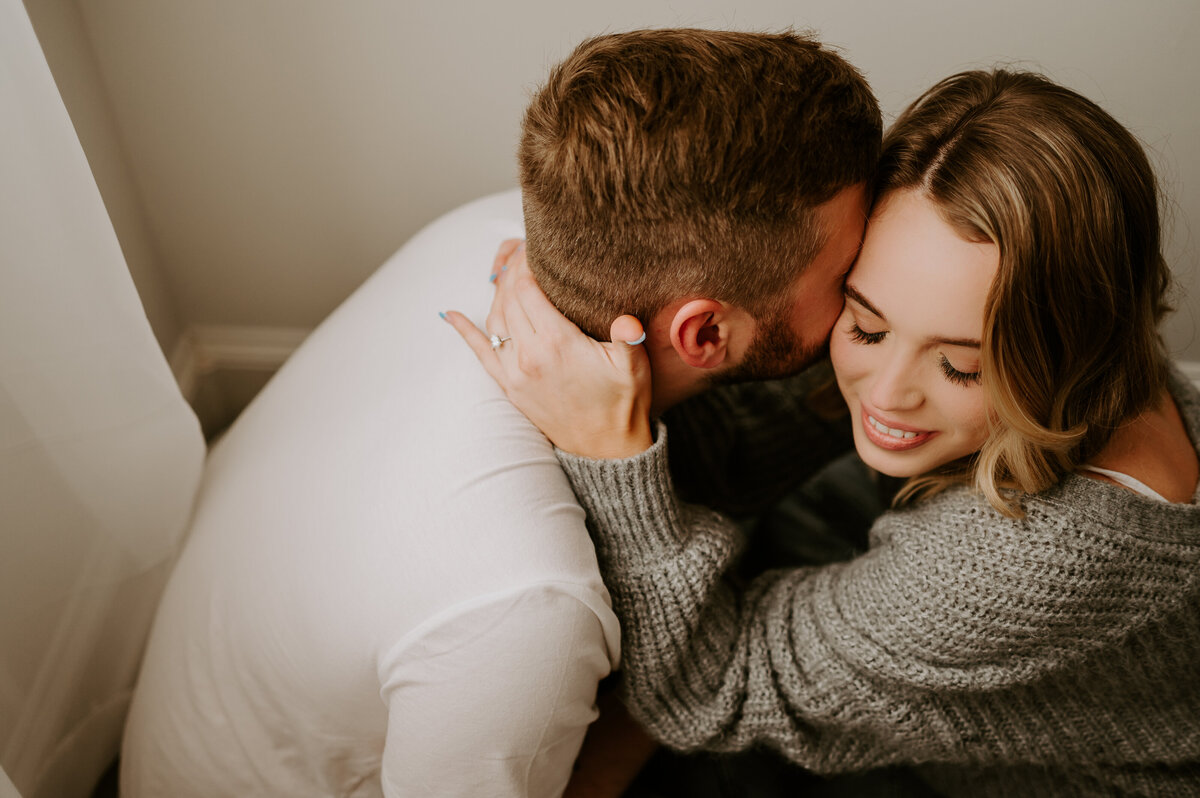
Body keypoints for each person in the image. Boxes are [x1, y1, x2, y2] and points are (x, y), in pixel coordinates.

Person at [120, 29, 881, 798]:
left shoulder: (503, 232)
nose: (875, 277)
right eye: (853, 274)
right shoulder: (526, 606)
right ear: (706, 333)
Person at [450, 69, 1200, 796]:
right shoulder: (1088, 368)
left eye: (962, 368)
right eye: (866, 324)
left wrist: (609, 452)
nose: (887, 392)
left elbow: (712, 691)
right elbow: (745, 455)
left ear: (1075, 341)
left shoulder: (1025, 562)